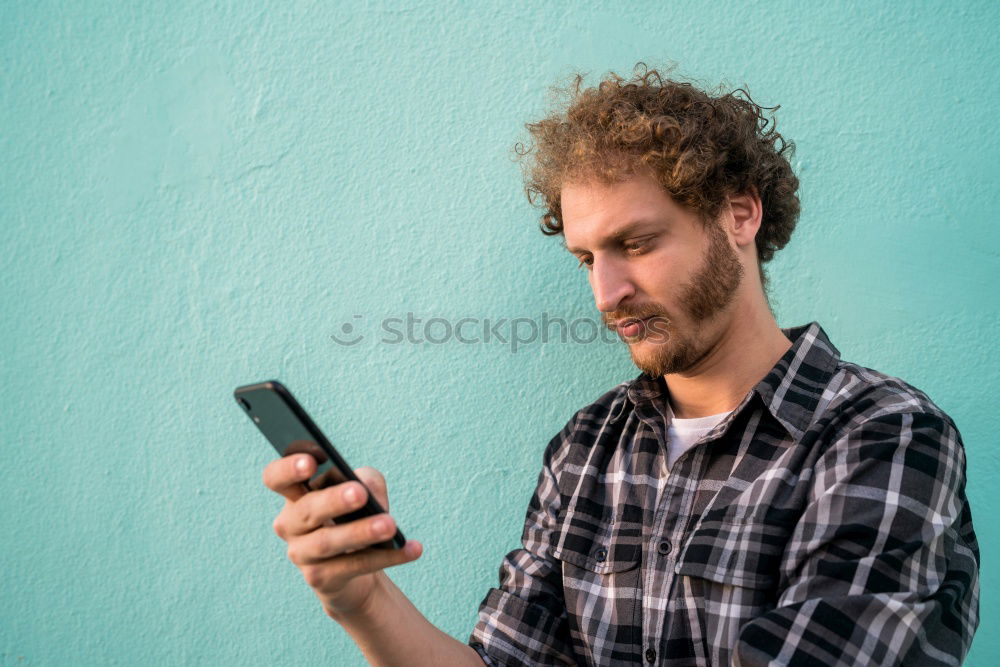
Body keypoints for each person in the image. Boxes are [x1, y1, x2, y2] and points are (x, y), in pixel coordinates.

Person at [262, 65, 980, 666]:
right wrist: (360, 598)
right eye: (586, 258)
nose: (605, 293)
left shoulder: (885, 433)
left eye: (635, 244)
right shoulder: (588, 444)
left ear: (740, 214)